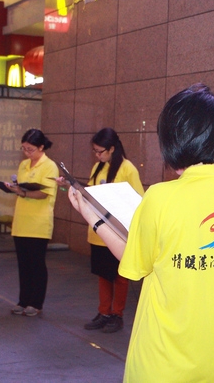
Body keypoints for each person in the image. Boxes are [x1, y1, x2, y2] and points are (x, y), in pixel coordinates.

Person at [68, 84, 214, 383]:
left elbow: (134, 263)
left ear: (174, 139)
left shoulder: (160, 197)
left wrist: (92, 217)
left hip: (159, 365)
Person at [83, 128, 144, 333]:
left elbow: (137, 200)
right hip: (98, 232)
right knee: (103, 274)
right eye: (95, 151)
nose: (97, 155)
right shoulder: (97, 167)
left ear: (112, 149)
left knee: (119, 276)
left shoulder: (128, 169)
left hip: (117, 233)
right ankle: (104, 312)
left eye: (100, 151)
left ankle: (117, 314)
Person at [5, 129, 59, 317]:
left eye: (30, 149)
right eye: (24, 149)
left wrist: (23, 192)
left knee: (36, 264)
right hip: (21, 220)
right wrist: (14, 188)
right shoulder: (23, 165)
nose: (27, 153)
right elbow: (21, 188)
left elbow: (45, 193)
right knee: (23, 264)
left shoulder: (49, 166)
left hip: (38, 222)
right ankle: (23, 300)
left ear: (41, 147)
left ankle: (36, 303)